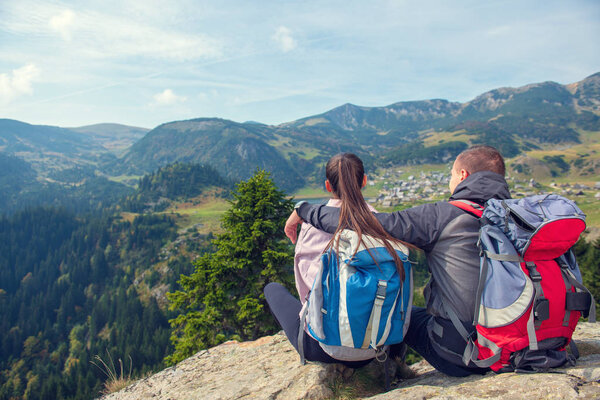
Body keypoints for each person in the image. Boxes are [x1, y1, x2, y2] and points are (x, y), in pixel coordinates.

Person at [285, 145, 510, 377]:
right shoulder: (522, 216)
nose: (451, 181)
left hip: (465, 354)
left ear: (463, 175)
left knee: (401, 313)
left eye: (452, 174)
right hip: (524, 346)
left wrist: (305, 210)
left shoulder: (443, 216)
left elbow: (368, 225)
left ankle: (391, 367)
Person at [265, 152, 409, 368]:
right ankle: (397, 360)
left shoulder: (311, 225)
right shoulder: (380, 220)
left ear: (327, 185)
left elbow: (306, 289)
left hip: (324, 347)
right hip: (378, 343)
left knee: (272, 289)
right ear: (364, 181)